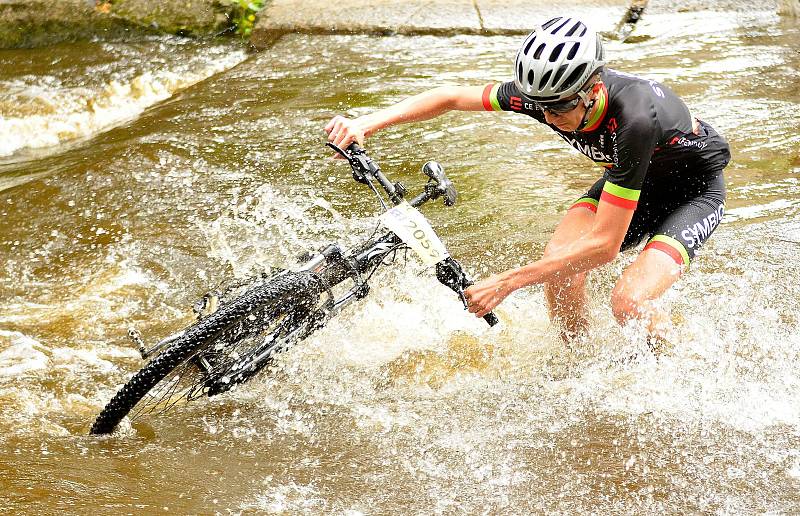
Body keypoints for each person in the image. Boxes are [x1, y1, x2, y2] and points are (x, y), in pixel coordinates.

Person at [324, 15, 730, 345]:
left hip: (691, 193)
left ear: (592, 88)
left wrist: (506, 282)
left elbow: (604, 247)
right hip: (628, 180)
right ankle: (578, 368)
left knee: (628, 303)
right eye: (540, 107)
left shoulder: (636, 119)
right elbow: (449, 97)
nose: (550, 117)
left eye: (560, 107)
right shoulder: (541, 95)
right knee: (560, 272)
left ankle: (680, 375)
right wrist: (366, 123)